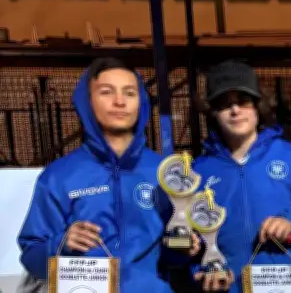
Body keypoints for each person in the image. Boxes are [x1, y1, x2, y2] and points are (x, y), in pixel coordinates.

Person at [17, 57, 198, 292]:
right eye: (106, 92)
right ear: (87, 101)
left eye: (130, 93)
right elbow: (32, 259)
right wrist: (60, 245)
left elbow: (171, 256)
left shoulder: (164, 172)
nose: (120, 101)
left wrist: (182, 251)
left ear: (140, 103)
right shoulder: (59, 176)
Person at [190, 60, 291, 293]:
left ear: (258, 106)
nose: (235, 110)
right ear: (212, 112)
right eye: (224, 104)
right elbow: (193, 244)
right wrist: (200, 272)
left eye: (243, 101)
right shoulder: (197, 172)